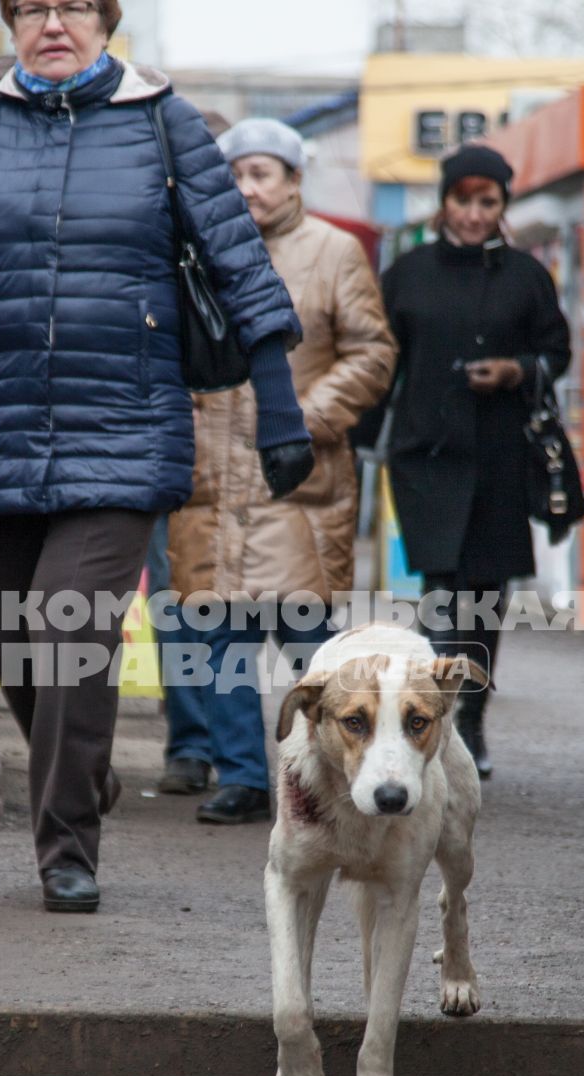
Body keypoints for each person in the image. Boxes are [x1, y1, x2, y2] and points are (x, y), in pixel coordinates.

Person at [0, 0, 313, 913]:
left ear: (106, 21)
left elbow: (241, 265)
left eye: (76, 6)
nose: (55, 23)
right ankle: (82, 778)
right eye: (35, 7)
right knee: (15, 652)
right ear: (11, 23)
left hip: (125, 429)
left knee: (73, 637)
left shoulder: (163, 125)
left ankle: (66, 848)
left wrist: (279, 412)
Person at [159, 119, 397, 823]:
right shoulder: (189, 251)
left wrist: (306, 419)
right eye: (235, 174)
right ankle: (244, 779)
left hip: (298, 481)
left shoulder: (333, 251)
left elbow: (372, 353)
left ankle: (336, 779)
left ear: (295, 181)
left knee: (315, 658)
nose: (247, 188)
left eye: (263, 173)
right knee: (222, 645)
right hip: (209, 482)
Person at [368, 145, 572, 780]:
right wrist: (358, 443)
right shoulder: (407, 273)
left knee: (484, 599)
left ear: (503, 205)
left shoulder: (526, 277)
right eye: (464, 200)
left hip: (500, 459)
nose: (475, 214)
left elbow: (556, 352)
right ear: (444, 201)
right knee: (439, 595)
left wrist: (516, 369)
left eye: (489, 202)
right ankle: (430, 722)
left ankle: (471, 724)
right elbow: (379, 364)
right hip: (424, 457)